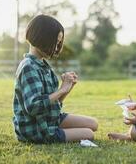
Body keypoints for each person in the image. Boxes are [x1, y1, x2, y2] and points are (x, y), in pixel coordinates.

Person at [12, 14, 98, 144]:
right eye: (55, 43)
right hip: (37, 129)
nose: (57, 48)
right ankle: (55, 133)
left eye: (59, 43)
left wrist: (67, 88)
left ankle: (60, 129)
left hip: (49, 118)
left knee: (93, 124)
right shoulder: (28, 67)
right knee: (88, 133)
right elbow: (34, 107)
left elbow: (54, 104)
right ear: (42, 38)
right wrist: (61, 90)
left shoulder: (45, 66)